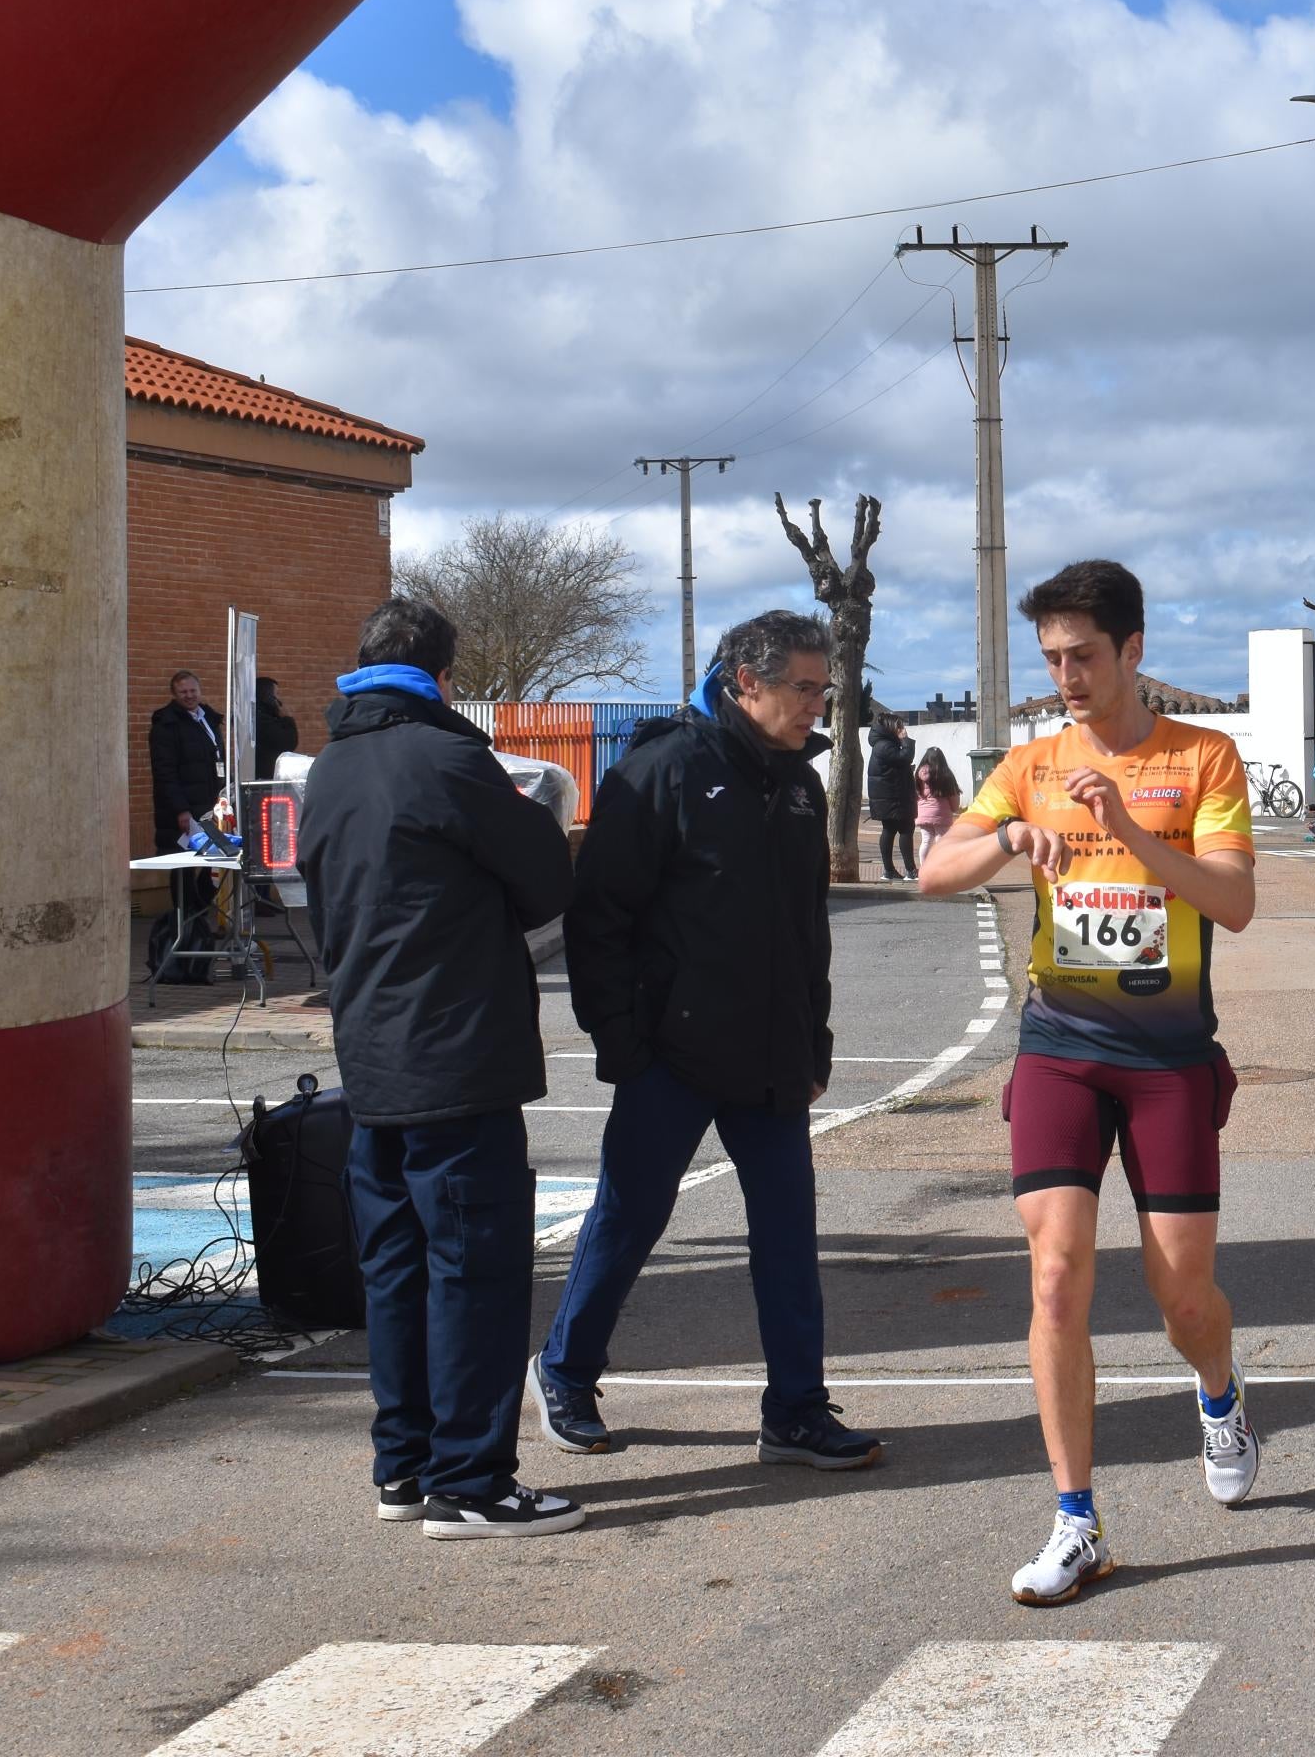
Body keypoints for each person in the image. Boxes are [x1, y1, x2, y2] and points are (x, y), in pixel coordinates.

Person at [917, 559, 1263, 1607]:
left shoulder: (1203, 757)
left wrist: (1131, 833)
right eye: (1053, 657)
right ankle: (1077, 1519)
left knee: (1182, 1294)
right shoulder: (1028, 763)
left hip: (1166, 1059)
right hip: (1058, 1045)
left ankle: (1220, 1392)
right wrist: (1009, 837)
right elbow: (935, 869)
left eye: (1083, 655)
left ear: (1134, 650)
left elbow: (1235, 902)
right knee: (1057, 1273)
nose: (1066, 674)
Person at [536, 610, 880, 1478]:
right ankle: (567, 1374)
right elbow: (599, 918)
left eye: (823, 688)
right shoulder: (662, 770)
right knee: (628, 1218)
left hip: (771, 1056)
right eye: (803, 688)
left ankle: (796, 1412)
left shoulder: (800, 787)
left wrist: (815, 1041)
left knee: (787, 1234)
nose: (818, 705)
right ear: (744, 682)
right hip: (670, 1057)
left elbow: (807, 931)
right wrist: (621, 1045)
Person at [296, 597, 581, 1538]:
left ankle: (404, 1466)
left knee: (395, 1269)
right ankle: (472, 1481)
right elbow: (545, 881)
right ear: (443, 677)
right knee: (475, 1269)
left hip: (368, 1057)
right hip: (456, 1053)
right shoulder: (453, 760)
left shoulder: (330, 769)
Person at [146, 668, 228, 968]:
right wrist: (180, 809)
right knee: (181, 866)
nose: (189, 696)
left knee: (219, 860)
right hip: (182, 810)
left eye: (193, 690)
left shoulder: (207, 718)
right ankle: (186, 921)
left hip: (210, 806)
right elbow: (165, 772)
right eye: (183, 692)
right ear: (174, 694)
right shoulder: (166, 725)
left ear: (200, 690)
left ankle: (197, 911)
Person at [866, 713, 918, 881]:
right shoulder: (885, 746)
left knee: (891, 829)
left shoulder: (883, 744)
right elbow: (904, 758)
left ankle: (890, 871)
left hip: (891, 795)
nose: (902, 729)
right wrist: (906, 741)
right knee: (904, 829)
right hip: (893, 796)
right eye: (899, 726)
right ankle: (909, 870)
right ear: (890, 727)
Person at [913, 747, 963, 868]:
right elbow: (954, 796)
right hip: (941, 813)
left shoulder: (919, 774)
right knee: (941, 840)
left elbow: (915, 793)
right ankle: (941, 867)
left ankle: (924, 868)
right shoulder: (946, 775)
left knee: (926, 840)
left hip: (922, 813)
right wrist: (954, 808)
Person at [252, 674, 302, 781]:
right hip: (265, 775)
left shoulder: (266, 716)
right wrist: (288, 719)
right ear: (268, 696)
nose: (279, 699)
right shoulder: (262, 720)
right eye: (277, 694)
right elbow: (288, 742)